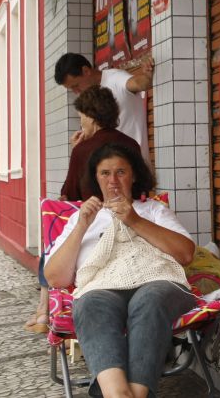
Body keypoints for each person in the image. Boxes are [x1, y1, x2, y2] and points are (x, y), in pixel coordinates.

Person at [44, 143, 196, 398]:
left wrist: (134, 219)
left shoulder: (154, 211)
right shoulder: (81, 218)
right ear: (95, 178)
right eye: (105, 173)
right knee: (89, 303)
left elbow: (185, 254)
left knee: (149, 300)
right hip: (102, 286)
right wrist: (82, 225)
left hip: (158, 281)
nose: (113, 180)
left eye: (121, 172)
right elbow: (56, 277)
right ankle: (119, 393)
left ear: (134, 175)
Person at [24, 85, 140, 333]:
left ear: (91, 115)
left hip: (95, 220)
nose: (81, 123)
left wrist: (75, 151)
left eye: (81, 118)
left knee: (55, 230)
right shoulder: (130, 143)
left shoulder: (83, 148)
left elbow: (69, 194)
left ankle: (44, 310)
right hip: (132, 218)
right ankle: (43, 311)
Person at [54, 53, 153, 161]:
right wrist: (79, 146)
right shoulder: (86, 98)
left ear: (86, 71)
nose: (76, 92)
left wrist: (147, 72)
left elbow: (139, 84)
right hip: (105, 170)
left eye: (76, 85)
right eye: (71, 89)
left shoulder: (115, 78)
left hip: (133, 166)